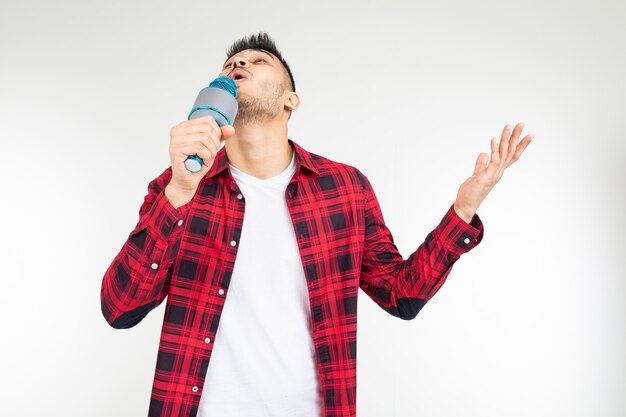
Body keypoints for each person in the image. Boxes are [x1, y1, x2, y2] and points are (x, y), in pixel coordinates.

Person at [100, 32, 534, 417]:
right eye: (232, 64)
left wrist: (462, 209)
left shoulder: (344, 188)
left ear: (291, 100)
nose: (239, 65)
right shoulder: (178, 187)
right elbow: (119, 309)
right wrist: (177, 192)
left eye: (257, 61)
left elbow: (402, 295)